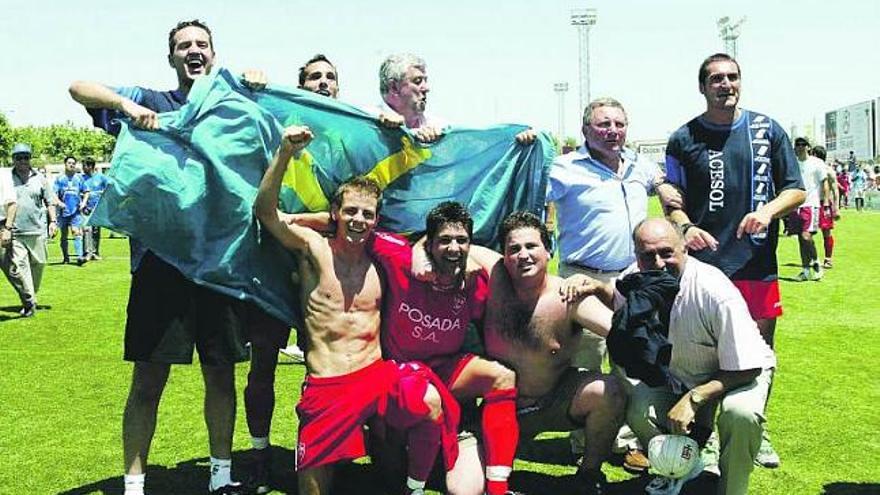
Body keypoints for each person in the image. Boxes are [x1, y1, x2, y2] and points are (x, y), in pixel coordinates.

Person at [69, 19, 267, 495]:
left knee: (220, 376)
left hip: (220, 267)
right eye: (184, 46)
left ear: (214, 54)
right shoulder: (152, 102)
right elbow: (77, 87)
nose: (193, 51)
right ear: (171, 57)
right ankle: (134, 484)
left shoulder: (233, 107)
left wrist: (258, 87)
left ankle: (221, 476)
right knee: (147, 380)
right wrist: (125, 105)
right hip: (160, 268)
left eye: (202, 45)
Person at [256, 126, 454, 495]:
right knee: (313, 490)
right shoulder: (313, 249)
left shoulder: (383, 262)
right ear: (335, 212)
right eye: (350, 212)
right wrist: (284, 152)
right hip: (328, 383)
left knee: (427, 404)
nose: (358, 220)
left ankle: (412, 486)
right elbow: (265, 212)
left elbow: (439, 242)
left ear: (377, 219)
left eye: (367, 214)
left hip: (375, 377)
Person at [663, 53, 804, 468]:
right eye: (716, 79)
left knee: (761, 354)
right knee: (706, 357)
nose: (726, 84)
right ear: (702, 87)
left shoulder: (767, 130)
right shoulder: (682, 138)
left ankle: (755, 430)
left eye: (733, 77)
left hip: (756, 265)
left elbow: (795, 190)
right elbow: (671, 198)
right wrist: (686, 227)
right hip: (705, 268)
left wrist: (767, 211)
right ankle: (704, 435)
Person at [577, 218, 775, 495]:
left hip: (740, 372)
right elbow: (619, 294)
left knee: (740, 416)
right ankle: (685, 470)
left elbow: (748, 366)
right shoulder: (638, 276)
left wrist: (694, 399)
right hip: (683, 373)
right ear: (636, 256)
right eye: (648, 255)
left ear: (685, 248)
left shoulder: (714, 291)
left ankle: (730, 488)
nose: (658, 263)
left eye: (666, 253)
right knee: (638, 409)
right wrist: (596, 287)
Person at [545, 96, 675, 469]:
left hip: (630, 278)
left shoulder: (638, 164)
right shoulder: (563, 168)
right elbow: (527, 191)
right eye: (603, 124)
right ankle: (583, 437)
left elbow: (661, 180)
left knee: (631, 359)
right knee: (586, 360)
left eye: (619, 124)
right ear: (586, 130)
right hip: (580, 278)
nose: (612, 131)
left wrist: (664, 187)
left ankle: (626, 440)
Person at [466, 211, 625, 495]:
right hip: (500, 408)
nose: (523, 255)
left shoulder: (569, 296)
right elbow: (447, 239)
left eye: (531, 246)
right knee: (466, 487)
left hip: (554, 400)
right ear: (503, 255)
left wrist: (602, 290)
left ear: (549, 250)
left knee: (608, 390)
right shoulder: (496, 276)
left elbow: (620, 331)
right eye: (513, 249)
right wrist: (419, 256)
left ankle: (589, 474)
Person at [371, 201, 518, 495]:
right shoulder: (400, 257)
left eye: (462, 240)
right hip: (398, 371)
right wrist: (291, 220)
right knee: (389, 468)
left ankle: (499, 488)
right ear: (429, 243)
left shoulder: (475, 281)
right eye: (445, 240)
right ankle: (414, 484)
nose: (454, 248)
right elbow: (358, 228)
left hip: (444, 368)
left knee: (503, 377)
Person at [378, 53, 535, 145]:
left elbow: (479, 148)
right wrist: (379, 124)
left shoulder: (439, 129)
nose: (426, 88)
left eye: (426, 80)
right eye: (418, 81)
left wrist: (514, 140)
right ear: (394, 88)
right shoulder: (367, 124)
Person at [1, 144, 57, 317]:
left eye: (25, 157)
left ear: (30, 158)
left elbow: (50, 201)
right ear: (13, 160)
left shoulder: (40, 178)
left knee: (38, 264)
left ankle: (31, 295)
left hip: (37, 230)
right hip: (16, 231)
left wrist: (53, 221)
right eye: (18, 158)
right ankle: (29, 301)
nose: (22, 161)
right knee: (20, 265)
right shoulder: (7, 178)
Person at [792, 138, 828, 282]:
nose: (800, 147)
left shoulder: (816, 163)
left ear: (808, 147)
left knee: (807, 236)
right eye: (798, 145)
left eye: (803, 145)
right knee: (801, 239)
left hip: (810, 203)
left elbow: (824, 182)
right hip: (795, 205)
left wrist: (825, 202)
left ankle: (816, 263)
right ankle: (805, 270)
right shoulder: (792, 162)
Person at [54, 155, 89, 265]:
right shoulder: (59, 179)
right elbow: (53, 194)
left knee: (76, 231)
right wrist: (59, 203)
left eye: (73, 163)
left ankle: (79, 257)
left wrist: (83, 203)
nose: (72, 165)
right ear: (65, 164)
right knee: (64, 235)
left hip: (76, 211)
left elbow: (87, 191)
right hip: (63, 211)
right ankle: (66, 257)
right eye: (69, 163)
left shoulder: (79, 178)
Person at [810, 146, 839, 269]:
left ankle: (828, 259)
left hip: (824, 203)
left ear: (816, 154)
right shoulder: (810, 168)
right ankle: (812, 258)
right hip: (811, 202)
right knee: (808, 232)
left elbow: (835, 190)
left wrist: (836, 209)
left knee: (826, 231)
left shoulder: (828, 171)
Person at [81, 157, 109, 260]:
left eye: (84, 166)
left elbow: (109, 188)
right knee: (86, 229)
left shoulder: (101, 178)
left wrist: (103, 195)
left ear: (90, 166)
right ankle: (87, 252)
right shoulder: (81, 178)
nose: (83, 168)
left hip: (97, 208)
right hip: (85, 208)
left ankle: (95, 252)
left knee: (96, 231)